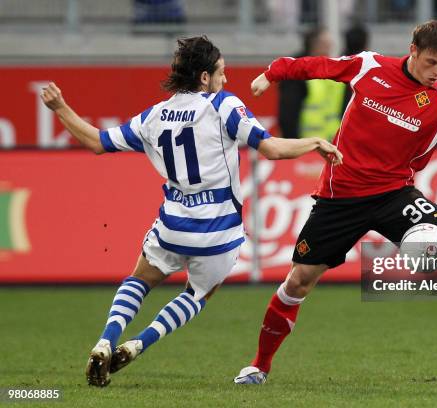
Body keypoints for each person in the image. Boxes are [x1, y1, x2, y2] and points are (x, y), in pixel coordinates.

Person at [234, 20, 437, 385]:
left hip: (395, 194)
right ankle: (259, 365)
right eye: (431, 62)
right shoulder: (370, 67)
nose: (436, 72)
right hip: (340, 196)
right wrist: (274, 73)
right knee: (298, 282)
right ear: (412, 51)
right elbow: (317, 66)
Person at [40, 35, 342, 387]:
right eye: (221, 73)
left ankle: (105, 341)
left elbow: (96, 142)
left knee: (139, 280)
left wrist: (60, 107)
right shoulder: (222, 105)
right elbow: (272, 149)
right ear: (203, 77)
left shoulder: (154, 116)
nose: (225, 80)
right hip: (218, 232)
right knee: (198, 294)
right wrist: (315, 142)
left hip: (173, 226)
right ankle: (139, 344)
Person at [277, 27, 345, 141]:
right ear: (316, 45)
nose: (330, 48)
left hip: (332, 145)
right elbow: (288, 113)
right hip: (305, 145)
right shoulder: (295, 72)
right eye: (327, 44)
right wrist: (292, 145)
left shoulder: (332, 69)